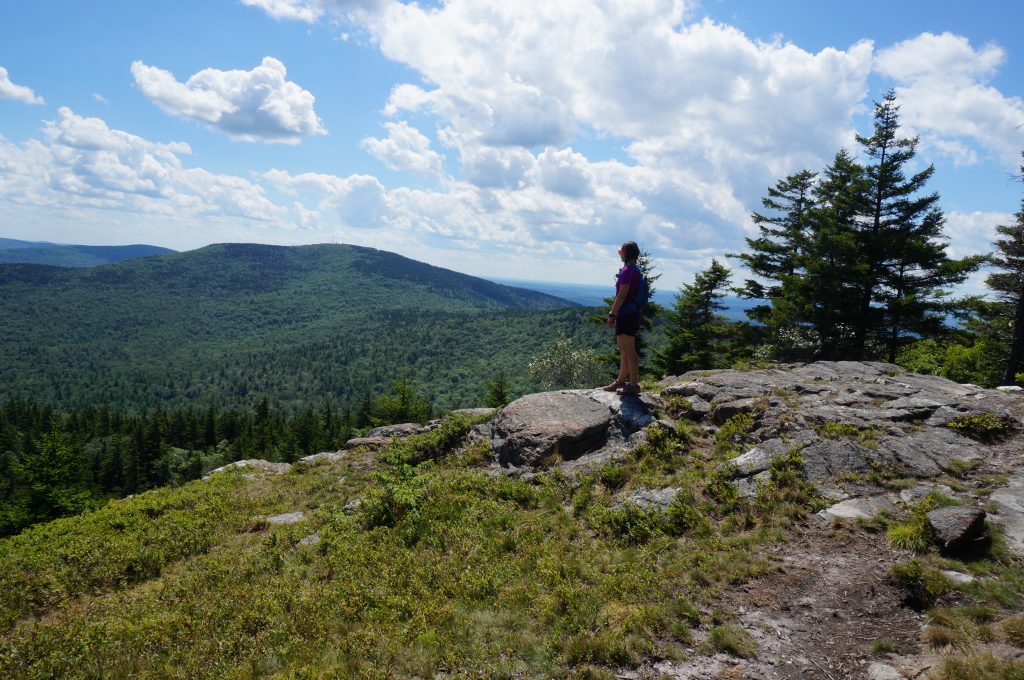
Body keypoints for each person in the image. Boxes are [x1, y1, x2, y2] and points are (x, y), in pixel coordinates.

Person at [603, 241, 642, 395]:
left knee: (629, 350)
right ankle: (621, 381)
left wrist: (612, 314)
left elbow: (622, 295)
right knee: (624, 350)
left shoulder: (628, 271)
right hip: (628, 313)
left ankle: (633, 385)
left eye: (621, 251)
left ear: (626, 253)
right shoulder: (633, 270)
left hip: (627, 314)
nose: (619, 253)